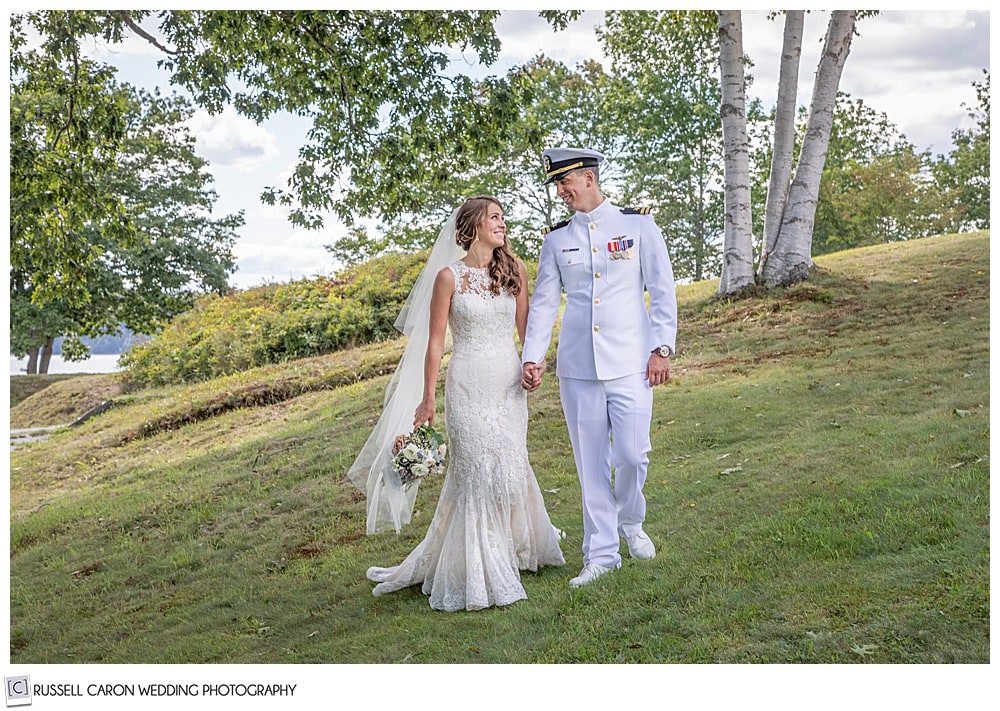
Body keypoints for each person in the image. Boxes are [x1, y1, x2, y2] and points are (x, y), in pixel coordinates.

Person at [349, 195, 565, 612]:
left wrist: (534, 364)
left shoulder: (514, 269)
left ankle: (511, 547)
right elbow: (434, 344)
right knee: (477, 469)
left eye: (503, 218)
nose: (503, 224)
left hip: (507, 384)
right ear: (473, 227)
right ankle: (480, 564)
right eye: (495, 218)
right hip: (467, 384)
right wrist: (427, 399)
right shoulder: (449, 277)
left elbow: (528, 329)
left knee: (509, 462)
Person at [521, 147, 677, 588]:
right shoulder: (556, 240)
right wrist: (532, 356)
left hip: (632, 361)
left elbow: (661, 290)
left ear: (588, 178)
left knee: (632, 455)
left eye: (564, 183)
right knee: (590, 464)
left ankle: (631, 522)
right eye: (556, 185)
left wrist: (661, 348)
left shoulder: (638, 225)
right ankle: (602, 553)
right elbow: (546, 303)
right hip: (578, 367)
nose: (560, 192)